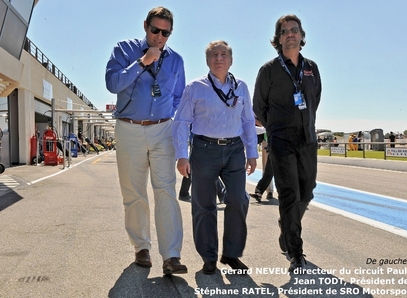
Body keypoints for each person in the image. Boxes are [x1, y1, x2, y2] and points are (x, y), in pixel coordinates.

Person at [105, 6, 187, 275]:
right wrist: (142, 63)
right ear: (145, 26)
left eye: (165, 32)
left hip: (162, 129)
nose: (159, 37)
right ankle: (141, 246)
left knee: (166, 190)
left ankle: (171, 255)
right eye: (155, 30)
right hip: (129, 127)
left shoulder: (176, 61)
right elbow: (113, 83)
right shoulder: (124, 49)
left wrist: (168, 117)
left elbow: (178, 98)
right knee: (134, 192)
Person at [173, 40, 258, 275]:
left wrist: (252, 152)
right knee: (203, 204)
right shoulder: (195, 87)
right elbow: (181, 122)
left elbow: (248, 121)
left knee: (239, 199)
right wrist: (182, 155)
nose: (218, 58)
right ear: (207, 60)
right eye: (213, 54)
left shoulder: (241, 87)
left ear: (231, 60)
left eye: (223, 54)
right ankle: (208, 257)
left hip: (234, 150)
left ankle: (231, 254)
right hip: (204, 149)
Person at [253, 14, 322, 272]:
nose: (290, 34)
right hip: (281, 141)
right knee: (290, 195)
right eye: (284, 31)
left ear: (301, 36)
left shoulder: (311, 68)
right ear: (278, 39)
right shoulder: (269, 70)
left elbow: (315, 98)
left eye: (294, 30)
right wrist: (276, 126)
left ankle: (287, 224)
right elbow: (258, 106)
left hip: (308, 139)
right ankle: (296, 252)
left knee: (308, 190)